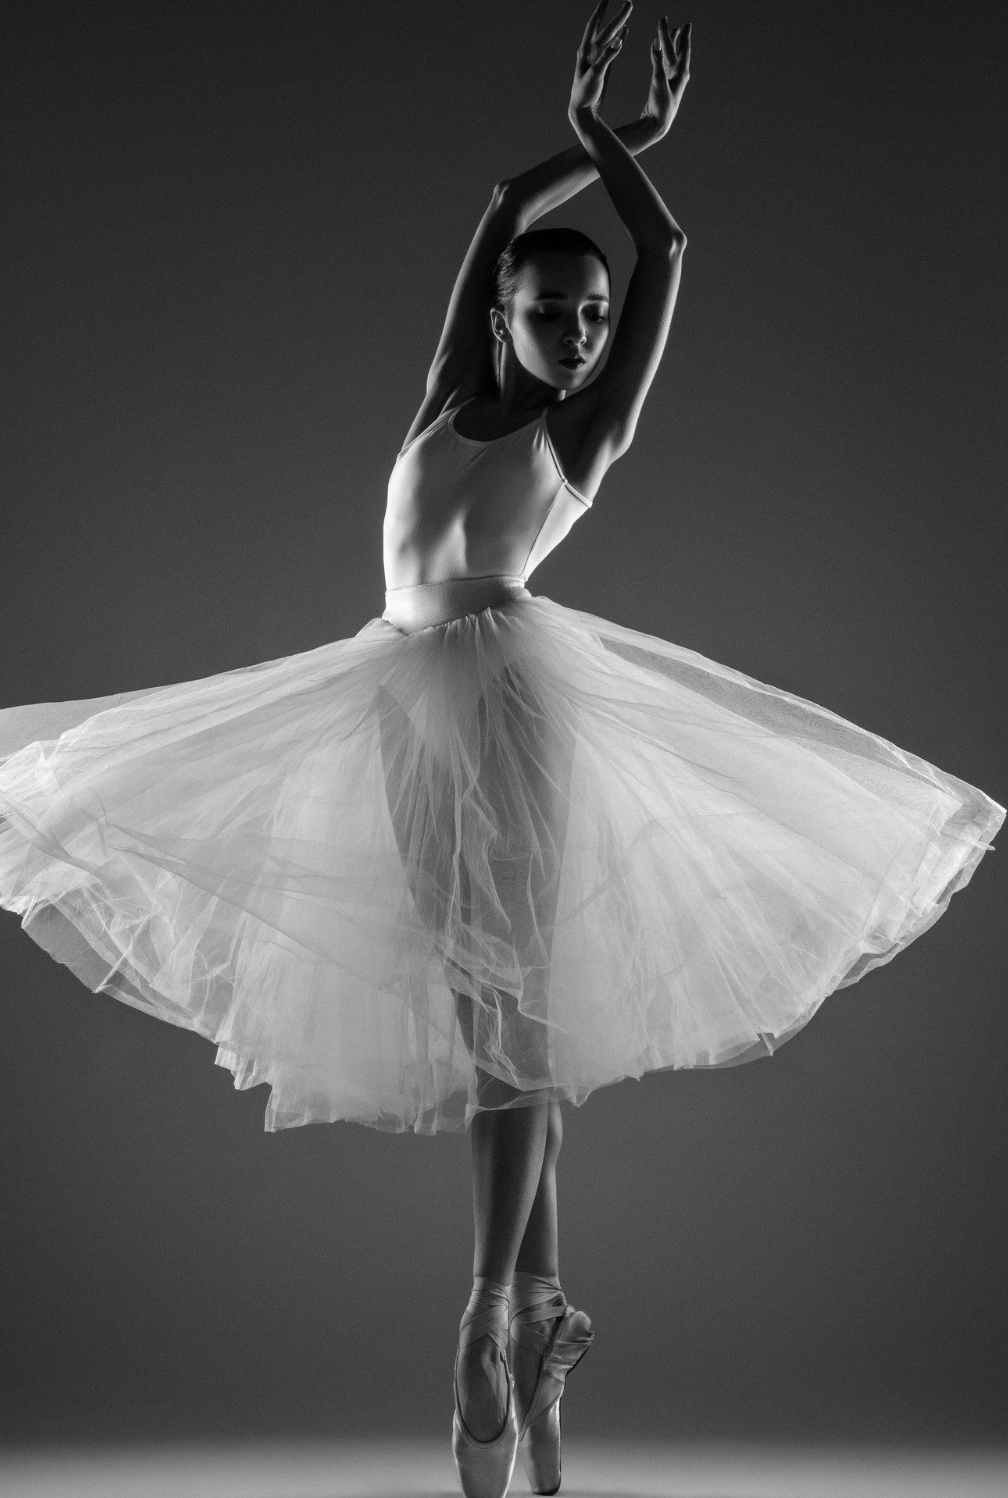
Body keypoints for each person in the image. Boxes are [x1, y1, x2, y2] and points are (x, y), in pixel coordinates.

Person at [0, 5, 1003, 1496]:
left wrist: (617, 159)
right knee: (496, 1020)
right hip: (397, 695)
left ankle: (481, 1317)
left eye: (589, 323)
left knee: (512, 1014)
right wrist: (593, 141)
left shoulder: (577, 443)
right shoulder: (439, 403)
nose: (576, 334)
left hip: (506, 701)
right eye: (550, 313)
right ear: (499, 319)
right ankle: (532, 1345)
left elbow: (665, 260)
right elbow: (494, 214)